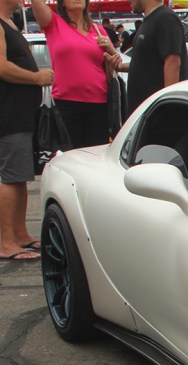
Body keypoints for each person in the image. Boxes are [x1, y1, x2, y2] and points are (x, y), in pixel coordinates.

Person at [0, 0, 54, 261]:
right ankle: (6, 242)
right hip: (8, 113)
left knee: (20, 176)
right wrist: (36, 77)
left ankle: (20, 235)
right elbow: (1, 67)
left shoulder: (11, 23)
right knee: (10, 176)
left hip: (21, 114)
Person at [32, 0, 119, 148]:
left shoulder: (98, 30)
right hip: (66, 104)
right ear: (62, 3)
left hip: (99, 105)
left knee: (96, 157)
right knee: (70, 157)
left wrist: (112, 54)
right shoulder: (54, 23)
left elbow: (114, 63)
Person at [110, 0, 188, 117]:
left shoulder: (166, 19)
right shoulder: (149, 21)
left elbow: (172, 62)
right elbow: (146, 63)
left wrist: (168, 107)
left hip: (158, 116)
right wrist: (120, 66)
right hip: (145, 113)